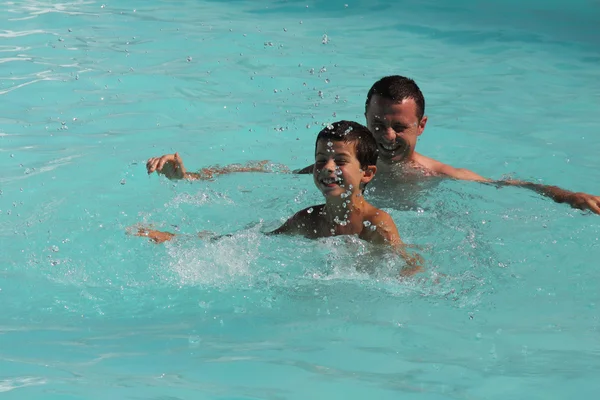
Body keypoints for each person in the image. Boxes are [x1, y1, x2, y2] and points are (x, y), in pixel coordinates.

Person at [145, 75, 600, 214]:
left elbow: (507, 185)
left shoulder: (436, 175)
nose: (386, 135)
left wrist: (564, 195)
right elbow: (262, 173)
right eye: (378, 123)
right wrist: (188, 176)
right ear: (365, 118)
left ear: (421, 126)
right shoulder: (340, 164)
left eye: (399, 128)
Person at [135, 121, 424, 277]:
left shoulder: (377, 224)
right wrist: (176, 239)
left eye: (340, 161)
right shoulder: (308, 220)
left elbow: (409, 264)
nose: (328, 168)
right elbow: (246, 242)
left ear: (368, 173)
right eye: (321, 160)